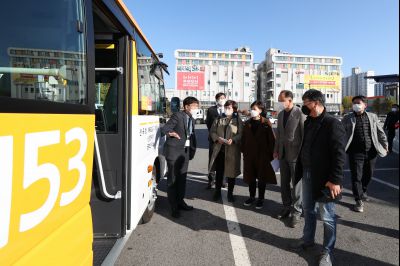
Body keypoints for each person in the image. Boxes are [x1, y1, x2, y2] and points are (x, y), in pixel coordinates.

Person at [293, 89, 345, 266]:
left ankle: (327, 252)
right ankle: (308, 241)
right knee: (308, 210)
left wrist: (335, 179)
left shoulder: (332, 123)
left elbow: (339, 154)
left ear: (315, 102)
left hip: (326, 178)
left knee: (328, 216)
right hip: (307, 173)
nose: (303, 106)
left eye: (305, 102)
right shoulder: (309, 122)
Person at [342, 96, 388, 212]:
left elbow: (380, 132)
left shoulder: (372, 116)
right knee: (356, 176)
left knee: (368, 175)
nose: (355, 105)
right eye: (354, 103)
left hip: (371, 151)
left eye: (358, 103)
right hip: (355, 152)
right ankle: (358, 200)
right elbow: (340, 133)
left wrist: (385, 145)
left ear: (365, 105)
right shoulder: (348, 118)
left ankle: (362, 190)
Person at [161, 97, 199, 218]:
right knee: (173, 179)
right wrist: (170, 133)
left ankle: (180, 201)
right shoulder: (177, 116)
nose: (195, 109)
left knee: (182, 179)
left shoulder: (191, 118)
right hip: (174, 151)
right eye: (194, 106)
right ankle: (174, 206)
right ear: (186, 106)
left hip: (185, 152)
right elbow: (165, 128)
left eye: (196, 106)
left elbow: (191, 135)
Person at [273, 90, 305, 228]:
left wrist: (303, 154)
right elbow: (279, 134)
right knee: (284, 183)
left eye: (281, 100)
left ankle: (297, 211)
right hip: (282, 154)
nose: (280, 103)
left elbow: (304, 135)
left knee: (297, 184)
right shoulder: (280, 115)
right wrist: (275, 150)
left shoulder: (300, 113)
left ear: (290, 100)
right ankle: (286, 206)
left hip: (296, 155)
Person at [241, 100, 277, 209]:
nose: (252, 111)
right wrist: (244, 152)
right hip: (250, 155)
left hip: (263, 156)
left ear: (260, 111)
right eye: (251, 109)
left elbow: (272, 140)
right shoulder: (247, 123)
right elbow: (243, 139)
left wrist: (273, 154)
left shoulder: (266, 123)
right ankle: (252, 197)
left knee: (262, 178)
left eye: (254, 109)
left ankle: (261, 198)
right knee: (251, 178)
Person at [208, 100, 243, 202]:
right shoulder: (218, 119)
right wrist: (217, 138)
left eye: (229, 108)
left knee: (231, 174)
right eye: (226, 107)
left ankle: (230, 193)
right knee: (219, 173)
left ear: (234, 109)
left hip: (232, 151)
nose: (227, 109)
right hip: (220, 150)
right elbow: (212, 131)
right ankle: (217, 191)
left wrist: (234, 139)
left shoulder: (237, 120)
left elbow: (241, 134)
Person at [206, 92, 227, 189]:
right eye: (220, 98)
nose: (222, 99)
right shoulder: (211, 110)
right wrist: (214, 135)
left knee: (224, 159)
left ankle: (223, 180)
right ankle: (211, 180)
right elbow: (208, 123)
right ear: (216, 99)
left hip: (225, 139)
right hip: (214, 139)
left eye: (223, 98)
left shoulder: (228, 109)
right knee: (212, 159)